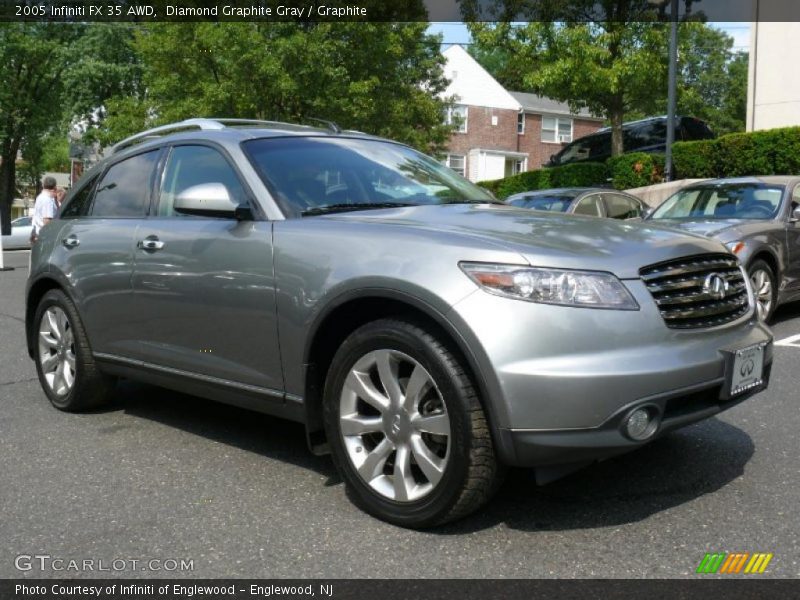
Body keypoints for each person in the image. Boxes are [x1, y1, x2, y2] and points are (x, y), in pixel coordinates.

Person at [30, 176, 58, 244]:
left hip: (38, 233)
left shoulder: (40, 197)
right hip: (45, 237)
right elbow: (47, 221)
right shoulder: (47, 200)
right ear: (54, 187)